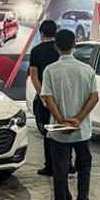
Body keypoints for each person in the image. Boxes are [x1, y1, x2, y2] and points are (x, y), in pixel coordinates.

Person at [41, 29, 99, 200]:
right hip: (82, 130)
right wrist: (79, 118)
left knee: (60, 171)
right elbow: (94, 97)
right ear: (74, 45)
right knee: (84, 168)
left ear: (56, 46)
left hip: (59, 132)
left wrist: (60, 120)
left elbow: (48, 98)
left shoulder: (50, 70)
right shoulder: (87, 70)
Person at [29, 20, 75, 177]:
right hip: (63, 96)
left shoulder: (36, 51)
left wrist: (43, 96)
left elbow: (34, 76)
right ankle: (68, 163)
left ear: (41, 34)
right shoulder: (62, 49)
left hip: (46, 98)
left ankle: (50, 166)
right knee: (65, 128)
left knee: (48, 131)